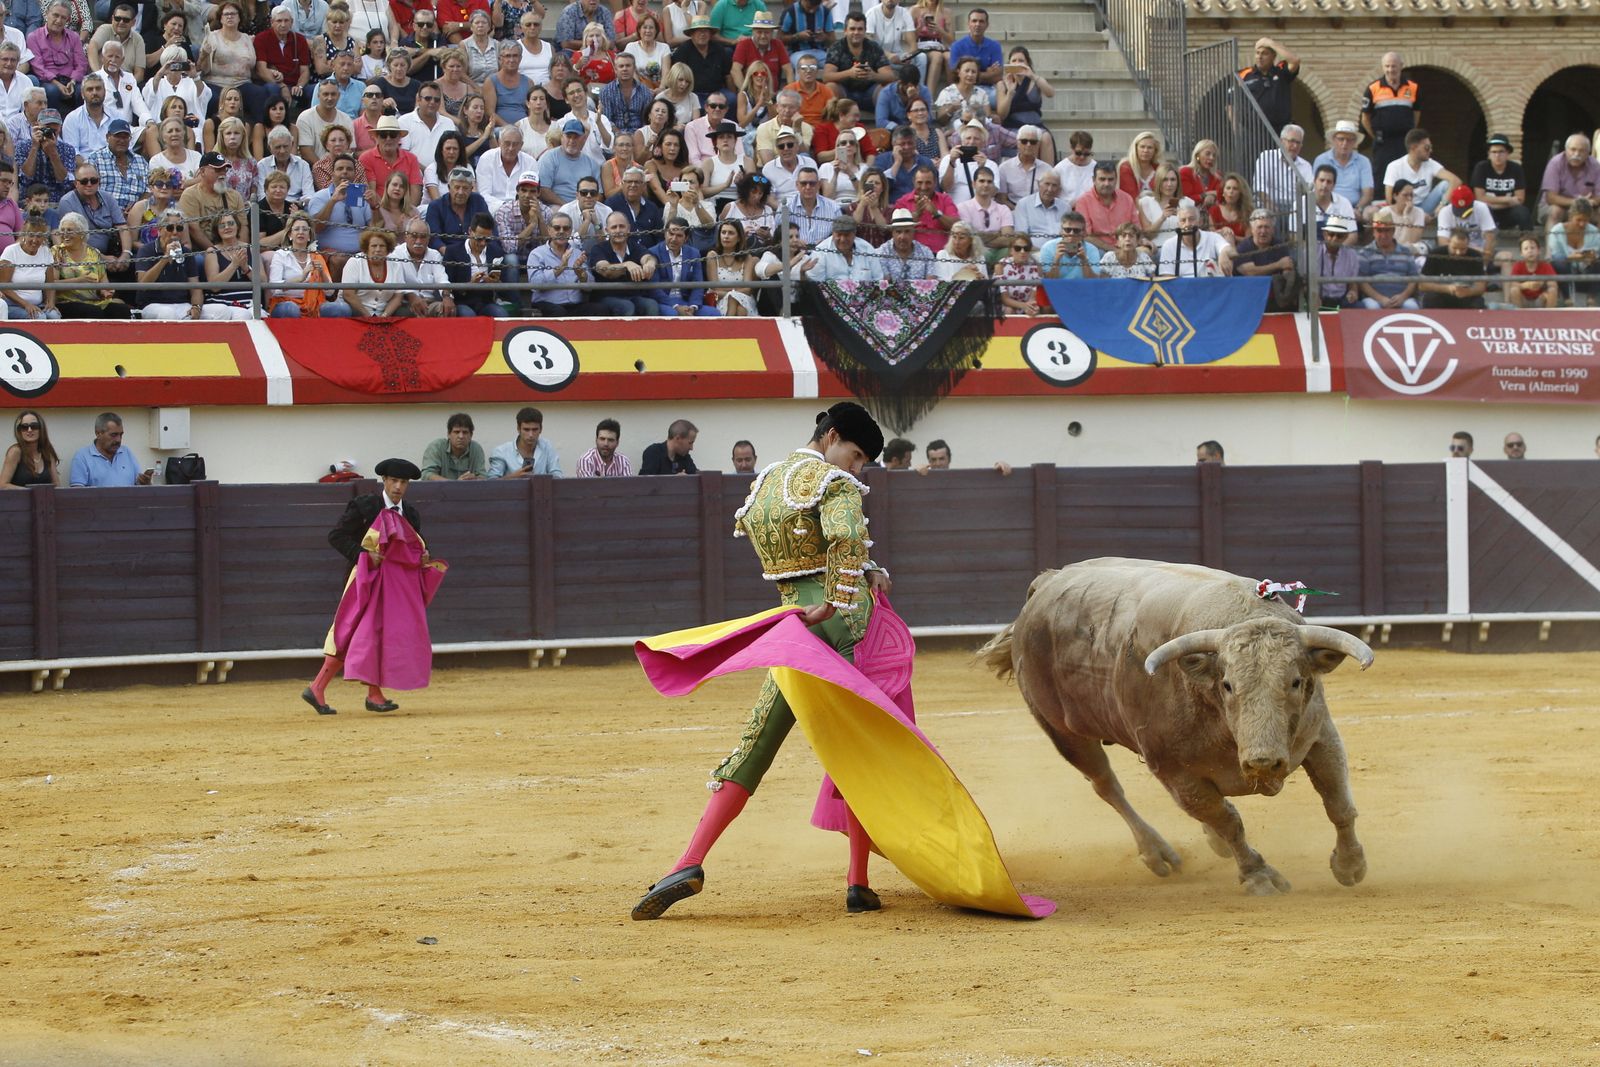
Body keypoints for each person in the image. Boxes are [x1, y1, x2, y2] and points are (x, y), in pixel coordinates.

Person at [630, 402, 888, 920]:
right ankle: (857, 880)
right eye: (855, 455)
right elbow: (841, 539)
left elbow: (801, 550)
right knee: (863, 747)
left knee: (758, 738)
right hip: (841, 621)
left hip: (792, 623)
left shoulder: (768, 481)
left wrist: (865, 568)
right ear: (832, 435)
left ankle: (689, 861)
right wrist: (842, 596)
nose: (855, 469)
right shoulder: (833, 483)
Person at [303, 457, 442, 716]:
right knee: (355, 633)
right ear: (385, 481)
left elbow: (417, 546)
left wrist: (425, 556)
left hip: (393, 589)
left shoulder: (410, 514)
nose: (398, 487)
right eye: (394, 481)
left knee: (375, 635)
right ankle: (334, 688)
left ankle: (331, 689)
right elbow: (337, 536)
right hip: (364, 580)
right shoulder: (365, 506)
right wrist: (363, 555)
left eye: (403, 482)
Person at [269, 211, 353, 316]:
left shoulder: (316, 257)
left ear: (309, 236)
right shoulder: (280, 255)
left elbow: (330, 292)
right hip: (285, 303)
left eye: (305, 229)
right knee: (291, 309)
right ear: (290, 235)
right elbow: (274, 289)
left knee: (342, 308)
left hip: (315, 305)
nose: (301, 232)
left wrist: (322, 273)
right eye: (296, 229)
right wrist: (300, 279)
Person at [526, 212, 609, 315]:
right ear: (549, 230)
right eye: (557, 228)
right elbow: (535, 284)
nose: (561, 231)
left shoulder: (577, 253)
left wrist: (582, 276)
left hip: (575, 305)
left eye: (566, 228)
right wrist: (560, 268)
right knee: (559, 312)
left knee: (600, 309)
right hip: (547, 304)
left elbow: (590, 287)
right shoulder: (537, 254)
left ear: (570, 231)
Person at [821, 11, 891, 113]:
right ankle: (834, 124)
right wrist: (849, 73)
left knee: (886, 87)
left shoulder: (874, 47)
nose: (856, 32)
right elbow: (826, 77)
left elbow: (890, 76)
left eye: (860, 29)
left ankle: (883, 122)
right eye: (852, 29)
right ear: (845, 31)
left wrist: (873, 75)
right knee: (830, 87)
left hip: (870, 93)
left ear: (865, 31)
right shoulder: (837, 47)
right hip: (845, 95)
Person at [648, 216, 718, 315]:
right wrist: (676, 307)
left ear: (686, 238)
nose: (673, 239)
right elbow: (654, 289)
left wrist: (693, 306)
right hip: (664, 302)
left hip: (687, 301)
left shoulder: (694, 253)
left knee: (713, 313)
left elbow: (698, 284)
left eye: (679, 235)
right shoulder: (654, 253)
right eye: (671, 234)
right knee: (673, 314)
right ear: (665, 233)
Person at [1232, 209, 1296, 311]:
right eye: (1259, 227)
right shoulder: (1243, 247)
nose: (1263, 231)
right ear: (1252, 230)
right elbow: (1250, 272)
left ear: (1273, 230)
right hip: (1248, 299)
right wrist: (1278, 265)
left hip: (1274, 299)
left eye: (1267, 227)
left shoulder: (1280, 245)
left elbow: (1287, 268)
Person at [1357, 209, 1420, 310]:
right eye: (1379, 231)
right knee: (1372, 307)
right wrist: (1380, 298)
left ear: (1393, 231)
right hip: (1374, 299)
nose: (1383, 235)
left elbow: (1414, 279)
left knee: (1411, 306)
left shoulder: (1406, 251)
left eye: (1387, 230)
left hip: (1402, 299)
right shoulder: (1365, 253)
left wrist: (1403, 296)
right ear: (1373, 232)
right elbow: (1362, 282)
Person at [1311, 120, 1373, 221]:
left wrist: (1358, 209)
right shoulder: (1321, 160)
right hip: (1328, 205)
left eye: (1349, 140)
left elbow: (1368, 193)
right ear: (1334, 140)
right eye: (1341, 139)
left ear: (1354, 142)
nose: (1345, 143)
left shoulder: (1364, 161)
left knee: (1371, 213)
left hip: (1355, 208)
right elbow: (1316, 188)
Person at [0, 213, 59, 319]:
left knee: (54, 315)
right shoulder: (11, 251)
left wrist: (50, 302)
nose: (35, 240)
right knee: (39, 317)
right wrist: (26, 304)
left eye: (39, 236)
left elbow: (50, 283)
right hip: (13, 305)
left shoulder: (46, 251)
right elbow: (4, 286)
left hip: (38, 305)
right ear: (24, 234)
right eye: (31, 235)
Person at [69, 411, 152, 486]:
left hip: (128, 502)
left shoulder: (126, 452)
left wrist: (145, 483)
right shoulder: (83, 457)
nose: (118, 440)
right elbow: (77, 493)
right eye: (113, 435)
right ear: (98, 433)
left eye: (121, 435)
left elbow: (139, 486)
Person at [1472, 133, 1531, 232]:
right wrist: (1508, 200)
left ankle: (1527, 241)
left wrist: (1495, 203)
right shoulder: (1481, 167)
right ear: (1489, 154)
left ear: (1507, 153)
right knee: (1484, 209)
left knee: (1523, 212)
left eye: (1501, 152)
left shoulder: (1516, 168)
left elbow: (1520, 199)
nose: (1497, 155)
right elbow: (1480, 198)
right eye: (1494, 152)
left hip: (1508, 212)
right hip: (1488, 210)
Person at [1237, 35, 1297, 133]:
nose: (1260, 57)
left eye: (1265, 53)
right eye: (1257, 53)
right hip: (1254, 132)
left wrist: (1270, 43)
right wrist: (1238, 131)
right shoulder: (1245, 74)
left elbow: (1295, 61)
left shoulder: (1280, 71)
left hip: (1280, 132)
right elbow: (1231, 103)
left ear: (1273, 56)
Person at [1418, 226, 1488, 310]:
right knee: (1430, 298)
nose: (1458, 253)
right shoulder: (1436, 254)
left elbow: (1481, 287)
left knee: (1478, 302)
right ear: (1448, 242)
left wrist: (1468, 292)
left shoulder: (1475, 256)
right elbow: (1422, 285)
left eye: (1463, 249)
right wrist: (1447, 288)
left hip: (1465, 294)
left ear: (1468, 245)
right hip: (1441, 293)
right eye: (1454, 248)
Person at [488, 406, 563, 477]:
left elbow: (557, 476)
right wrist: (514, 477)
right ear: (518, 429)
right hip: (511, 490)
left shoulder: (547, 446)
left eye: (535, 429)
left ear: (541, 429)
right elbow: (491, 484)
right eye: (526, 430)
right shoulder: (501, 451)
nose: (531, 435)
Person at [421, 412, 488, 479]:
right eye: (456, 432)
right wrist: (454, 484)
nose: (461, 436)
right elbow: (427, 474)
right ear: (449, 434)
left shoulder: (476, 449)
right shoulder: (436, 447)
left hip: (468, 489)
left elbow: (483, 477)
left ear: (471, 435)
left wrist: (475, 479)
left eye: (465, 432)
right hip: (440, 489)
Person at [3, 409, 59, 488]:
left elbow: (56, 485)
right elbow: (2, 485)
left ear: (41, 429)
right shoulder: (15, 452)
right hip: (19, 499)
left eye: (34, 426)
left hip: (44, 500)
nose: (29, 430)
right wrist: (30, 492)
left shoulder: (47, 452)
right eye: (24, 427)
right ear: (19, 431)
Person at [1316, 214, 1360, 309]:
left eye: (1339, 235)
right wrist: (1313, 295)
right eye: (1331, 234)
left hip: (1342, 300)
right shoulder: (1313, 252)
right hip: (1318, 299)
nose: (1335, 238)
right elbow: (1305, 281)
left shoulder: (1351, 255)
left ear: (1345, 237)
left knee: (1360, 307)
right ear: (1324, 234)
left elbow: (1353, 285)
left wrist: (1352, 293)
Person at [1507, 235, 1558, 309]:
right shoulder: (1518, 265)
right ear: (1521, 253)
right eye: (1526, 249)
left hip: (1540, 299)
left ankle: (1549, 316)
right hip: (1523, 299)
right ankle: (1519, 316)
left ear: (1539, 251)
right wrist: (1526, 285)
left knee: (1552, 290)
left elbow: (1553, 284)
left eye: (1532, 248)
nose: (1530, 251)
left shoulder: (1546, 265)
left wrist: (1542, 284)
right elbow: (1513, 284)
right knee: (1514, 290)